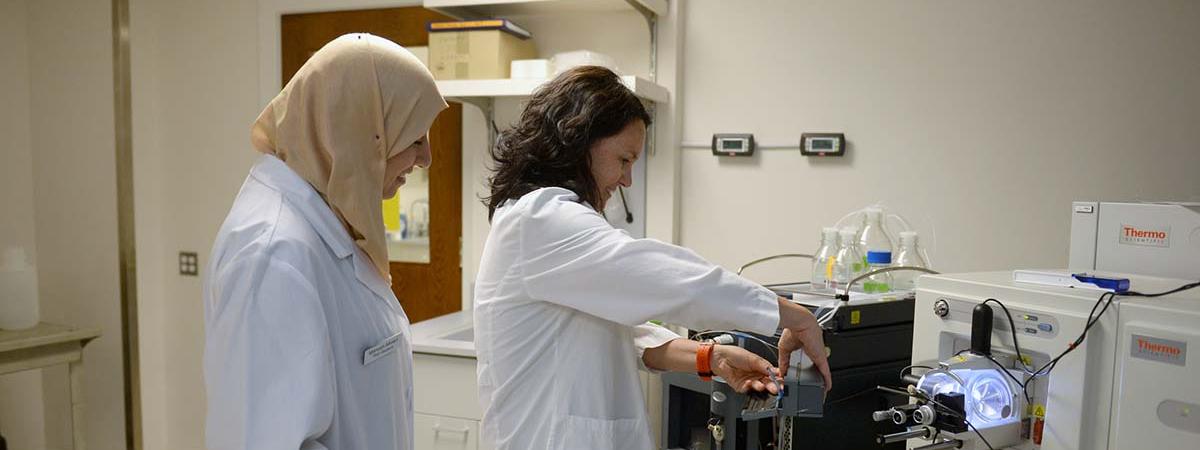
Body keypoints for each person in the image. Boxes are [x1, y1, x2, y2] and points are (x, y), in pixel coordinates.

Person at [473, 66, 832, 450]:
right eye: (624, 160)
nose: (627, 180)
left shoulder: (544, 222)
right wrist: (792, 315)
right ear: (578, 142)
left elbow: (613, 331)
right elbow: (666, 277)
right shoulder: (540, 220)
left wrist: (710, 358)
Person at [202, 33, 447, 450]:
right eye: (414, 137)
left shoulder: (327, 220)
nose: (425, 159)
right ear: (360, 131)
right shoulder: (273, 256)